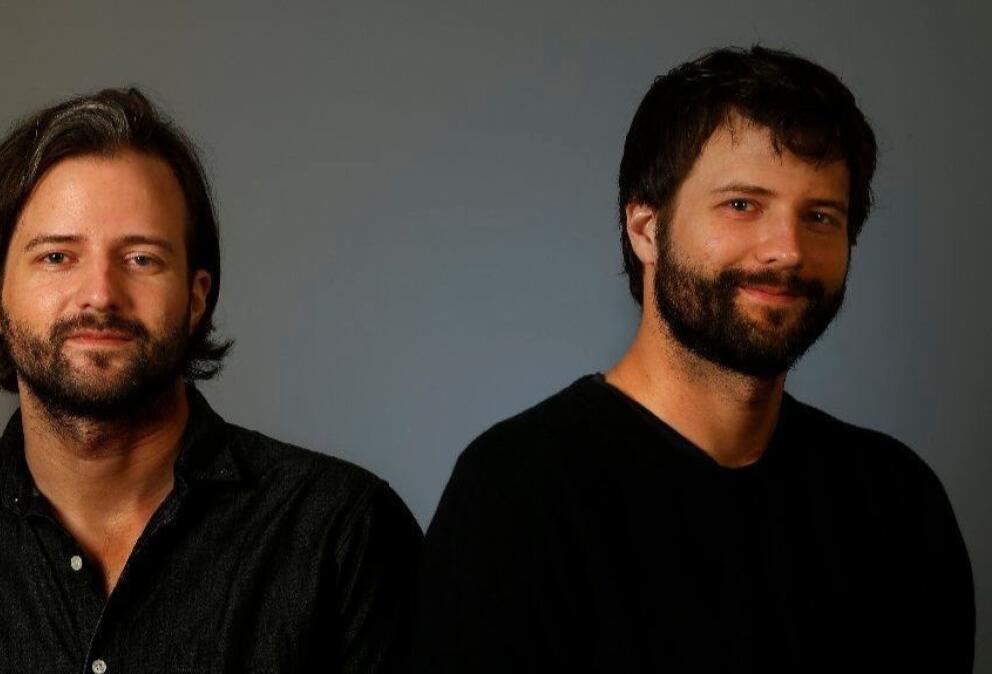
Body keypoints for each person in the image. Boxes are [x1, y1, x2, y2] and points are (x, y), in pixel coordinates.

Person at [0, 88, 421, 673]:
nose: (99, 295)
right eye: (56, 257)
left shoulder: (346, 537)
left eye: (141, 258)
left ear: (197, 297)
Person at [410, 46, 973, 672]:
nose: (786, 250)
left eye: (819, 216)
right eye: (742, 205)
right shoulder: (519, 494)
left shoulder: (897, 502)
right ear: (646, 229)